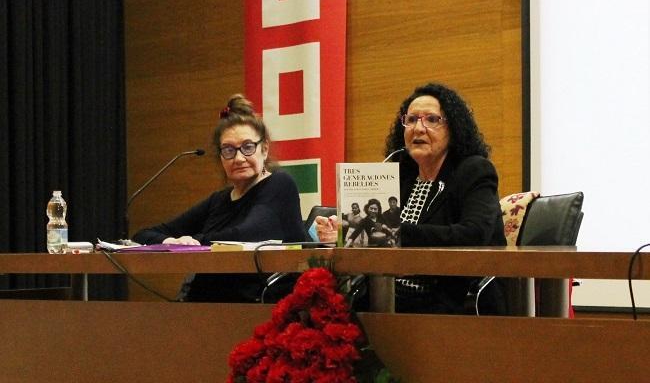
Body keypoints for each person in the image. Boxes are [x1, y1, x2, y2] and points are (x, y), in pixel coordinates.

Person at [316, 83, 506, 314]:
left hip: (451, 299)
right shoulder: (400, 173)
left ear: (453, 128)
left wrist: (395, 232)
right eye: (412, 119)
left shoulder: (474, 170)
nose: (419, 128)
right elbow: (375, 235)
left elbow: (474, 234)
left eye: (432, 120)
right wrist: (342, 232)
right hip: (387, 296)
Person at [133, 94, 305, 302]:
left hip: (255, 308)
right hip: (203, 307)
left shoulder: (280, 184)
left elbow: (246, 235)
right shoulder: (219, 200)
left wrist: (195, 241)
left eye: (248, 147)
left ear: (265, 149)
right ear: (221, 157)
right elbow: (144, 234)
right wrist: (172, 241)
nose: (239, 158)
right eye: (229, 150)